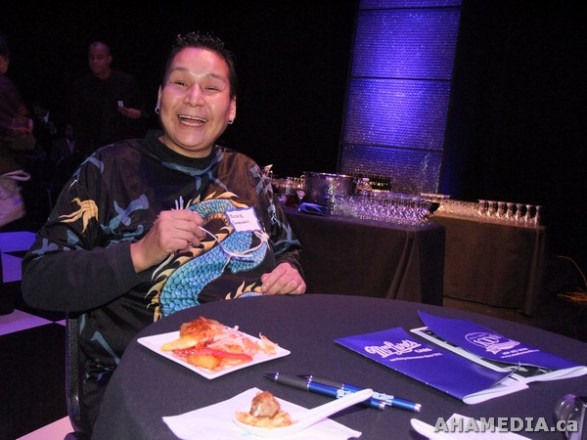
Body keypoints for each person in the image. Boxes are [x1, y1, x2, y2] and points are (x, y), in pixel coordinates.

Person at [21, 31, 306, 436]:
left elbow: (287, 248)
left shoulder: (248, 174)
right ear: (158, 98)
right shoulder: (108, 170)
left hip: (249, 373)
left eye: (211, 87)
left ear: (231, 108)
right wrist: (139, 253)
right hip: (138, 383)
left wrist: (289, 271)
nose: (194, 98)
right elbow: (38, 280)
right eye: (180, 82)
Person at [69, 41, 148, 156]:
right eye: (91, 57)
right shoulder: (81, 86)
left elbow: (143, 111)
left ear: (109, 59)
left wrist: (136, 114)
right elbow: (77, 120)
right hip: (93, 150)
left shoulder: (126, 82)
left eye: (99, 57)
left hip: (123, 148)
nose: (94, 61)